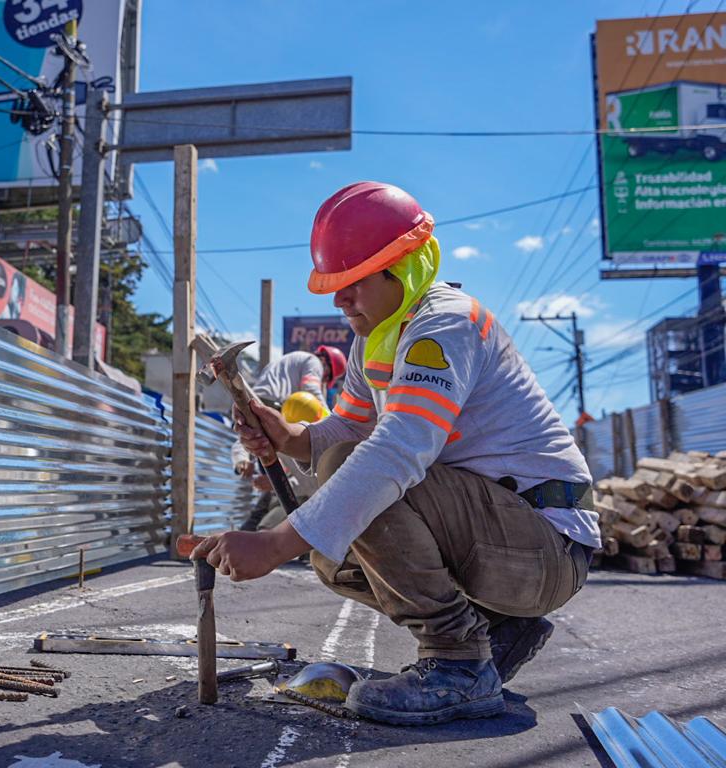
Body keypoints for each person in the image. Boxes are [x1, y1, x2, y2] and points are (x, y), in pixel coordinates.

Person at [194, 181, 600, 726]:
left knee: (350, 479)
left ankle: (457, 663)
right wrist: (290, 436)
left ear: (402, 268)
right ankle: (497, 632)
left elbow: (394, 452)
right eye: (334, 285)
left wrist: (273, 543)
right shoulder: (376, 338)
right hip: (506, 546)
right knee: (331, 555)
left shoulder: (445, 325)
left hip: (546, 550)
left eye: (353, 283)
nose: (339, 300)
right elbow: (345, 428)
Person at [230, 347, 345, 531]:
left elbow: (242, 439)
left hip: (252, 404)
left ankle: (249, 533)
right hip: (275, 412)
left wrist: (241, 460)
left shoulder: (286, 363)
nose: (323, 379)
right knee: (309, 485)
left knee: (275, 480)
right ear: (327, 365)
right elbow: (311, 391)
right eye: (326, 377)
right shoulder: (313, 362)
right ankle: (273, 534)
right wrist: (332, 424)